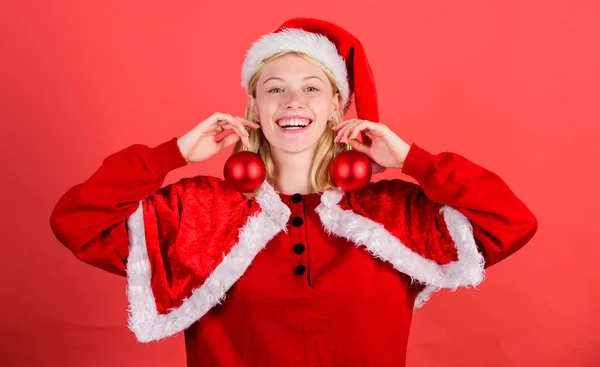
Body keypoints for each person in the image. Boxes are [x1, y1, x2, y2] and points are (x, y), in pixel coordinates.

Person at [49, 17, 538, 367]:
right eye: (275, 88)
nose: (293, 102)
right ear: (255, 106)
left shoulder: (391, 213)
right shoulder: (196, 211)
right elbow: (78, 222)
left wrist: (414, 160)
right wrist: (169, 155)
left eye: (311, 88)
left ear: (335, 107)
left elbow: (511, 222)